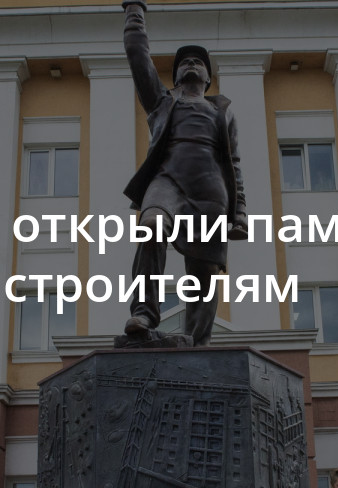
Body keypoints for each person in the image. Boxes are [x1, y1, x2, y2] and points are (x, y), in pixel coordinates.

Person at [121, 0, 247, 347]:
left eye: (199, 62)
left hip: (210, 193)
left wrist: (240, 212)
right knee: (151, 226)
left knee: (204, 274)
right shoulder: (162, 103)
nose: (191, 64)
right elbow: (137, 55)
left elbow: (233, 163)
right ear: (175, 77)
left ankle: (197, 343)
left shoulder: (223, 113)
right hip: (167, 182)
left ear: (208, 78)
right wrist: (134, 12)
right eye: (184, 62)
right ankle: (145, 313)